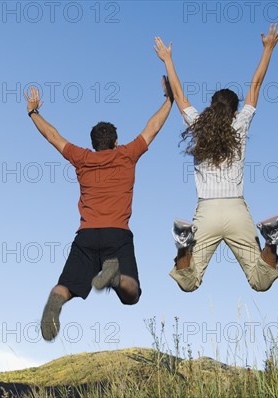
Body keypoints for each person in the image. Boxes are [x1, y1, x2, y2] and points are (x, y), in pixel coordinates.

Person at [25, 78, 173, 341]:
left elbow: (53, 136)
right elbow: (153, 126)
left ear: (94, 144)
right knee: (132, 294)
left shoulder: (82, 159)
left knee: (66, 286)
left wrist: (33, 112)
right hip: (117, 234)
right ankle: (115, 278)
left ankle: (56, 301)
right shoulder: (127, 154)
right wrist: (170, 99)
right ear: (115, 142)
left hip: (86, 235)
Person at [153, 24, 278, 293]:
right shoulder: (241, 123)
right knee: (260, 281)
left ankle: (182, 245)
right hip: (236, 210)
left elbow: (178, 96)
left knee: (189, 282)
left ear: (211, 106)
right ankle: (271, 239)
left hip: (207, 212)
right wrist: (268, 49)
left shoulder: (199, 123)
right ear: (235, 110)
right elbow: (256, 84)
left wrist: (168, 60)